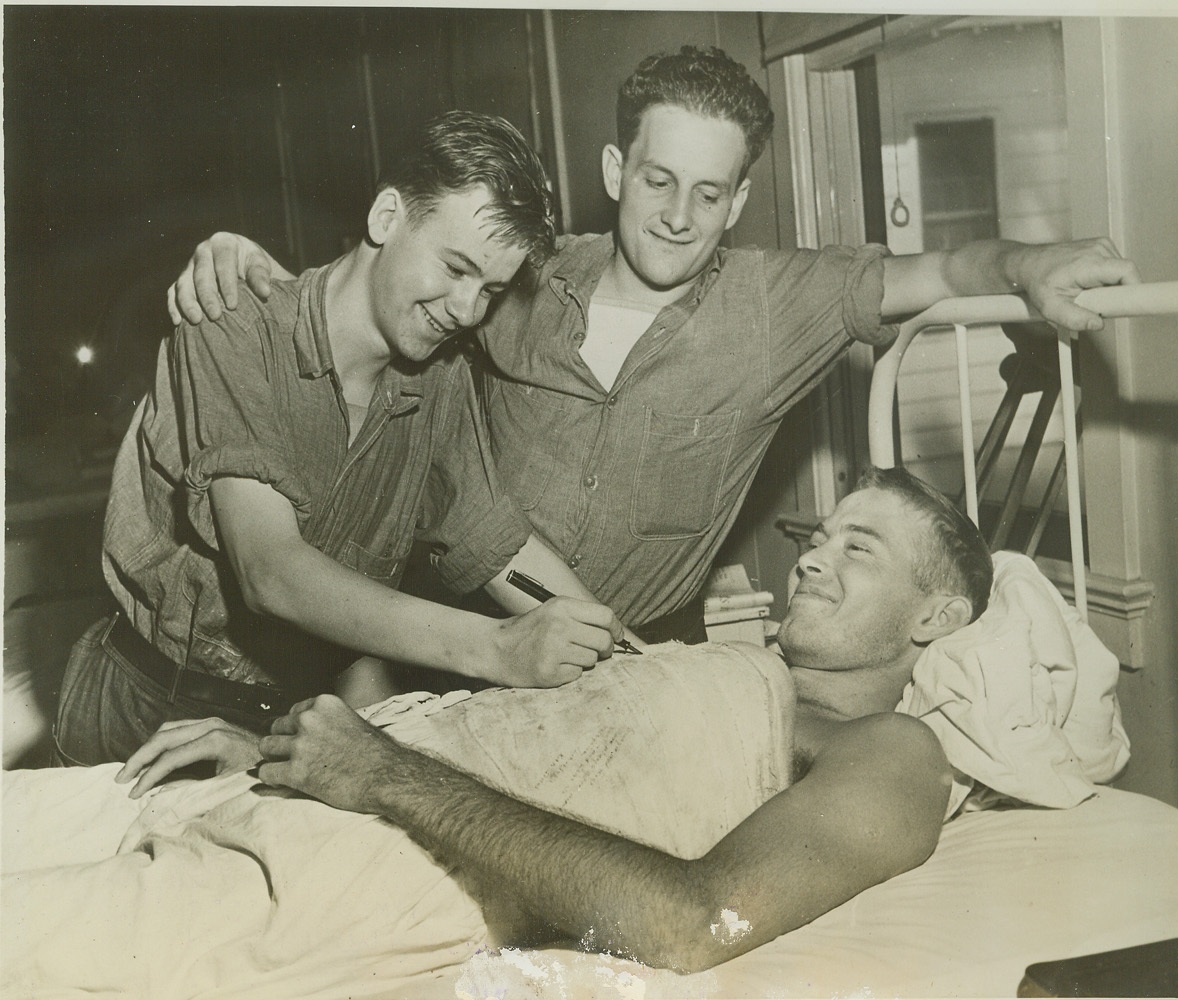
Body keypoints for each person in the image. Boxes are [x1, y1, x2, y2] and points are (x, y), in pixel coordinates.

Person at [169, 46, 1140, 645]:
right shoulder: (520, 278)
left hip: (638, 655)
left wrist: (1027, 264)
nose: (677, 217)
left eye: (708, 194)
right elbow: (394, 283)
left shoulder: (775, 305)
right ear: (613, 170)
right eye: (656, 180)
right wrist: (238, 259)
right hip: (458, 633)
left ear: (738, 202)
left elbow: (939, 270)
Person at [115, 466, 992, 975]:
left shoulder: (893, 753)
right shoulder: (717, 671)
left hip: (348, 857)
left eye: (858, 549)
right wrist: (272, 755)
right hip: (288, 794)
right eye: (820, 536)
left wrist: (378, 771)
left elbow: (694, 923)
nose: (810, 561)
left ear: (937, 620)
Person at [54, 111, 627, 769]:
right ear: (386, 218)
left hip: (286, 720)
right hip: (145, 706)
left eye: (492, 289)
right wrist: (499, 648)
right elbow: (271, 571)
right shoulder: (233, 322)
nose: (468, 310)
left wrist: (635, 658)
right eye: (455, 266)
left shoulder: (441, 375)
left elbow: (503, 553)